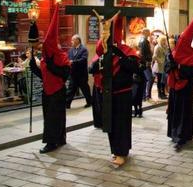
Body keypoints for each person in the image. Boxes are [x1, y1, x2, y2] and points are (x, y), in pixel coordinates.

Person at [90, 16, 139, 165]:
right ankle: (116, 150)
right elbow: (92, 69)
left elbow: (134, 68)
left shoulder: (127, 51)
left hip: (122, 95)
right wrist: (101, 61)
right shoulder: (102, 52)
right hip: (107, 95)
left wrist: (119, 54)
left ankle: (122, 152)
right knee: (111, 125)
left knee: (121, 125)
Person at [29, 5, 70, 153]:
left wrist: (51, 65)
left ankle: (52, 142)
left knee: (54, 117)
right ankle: (59, 138)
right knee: (50, 117)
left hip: (58, 91)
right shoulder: (45, 60)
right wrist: (34, 66)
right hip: (47, 91)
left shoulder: (61, 57)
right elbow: (44, 75)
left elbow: (64, 74)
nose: (42, 49)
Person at [166, 9, 193, 150]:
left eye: (183, 40)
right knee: (174, 111)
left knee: (183, 112)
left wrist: (180, 68)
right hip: (174, 87)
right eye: (179, 39)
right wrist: (170, 64)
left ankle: (182, 136)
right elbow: (167, 69)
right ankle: (173, 133)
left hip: (185, 87)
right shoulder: (173, 52)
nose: (180, 41)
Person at [66, 34, 92, 109]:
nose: (71, 42)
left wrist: (73, 62)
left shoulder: (84, 49)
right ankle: (67, 104)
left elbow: (83, 60)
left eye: (72, 40)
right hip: (73, 74)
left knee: (85, 89)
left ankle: (89, 102)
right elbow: (68, 59)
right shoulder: (71, 50)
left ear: (77, 40)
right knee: (71, 90)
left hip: (81, 74)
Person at [139, 28, 154, 101]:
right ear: (144, 32)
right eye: (148, 31)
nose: (149, 33)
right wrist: (146, 62)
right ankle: (147, 96)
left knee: (146, 79)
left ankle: (145, 96)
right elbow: (142, 53)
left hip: (146, 62)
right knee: (150, 78)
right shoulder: (143, 41)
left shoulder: (145, 41)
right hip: (145, 63)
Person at [152, 35, 168, 99]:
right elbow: (154, 56)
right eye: (163, 40)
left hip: (164, 66)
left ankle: (163, 93)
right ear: (160, 40)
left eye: (165, 40)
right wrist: (160, 60)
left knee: (163, 80)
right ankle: (159, 94)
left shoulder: (165, 47)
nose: (164, 41)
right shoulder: (157, 47)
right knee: (159, 81)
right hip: (159, 66)